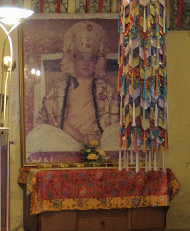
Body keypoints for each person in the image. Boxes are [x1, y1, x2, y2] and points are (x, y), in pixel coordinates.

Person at [26, 20, 120, 155]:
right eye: (81, 58)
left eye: (91, 59)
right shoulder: (59, 90)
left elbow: (112, 124)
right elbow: (53, 118)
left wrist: (95, 139)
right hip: (68, 140)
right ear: (74, 60)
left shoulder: (107, 91)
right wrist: (78, 136)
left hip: (101, 142)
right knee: (40, 134)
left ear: (96, 62)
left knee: (118, 134)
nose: (86, 64)